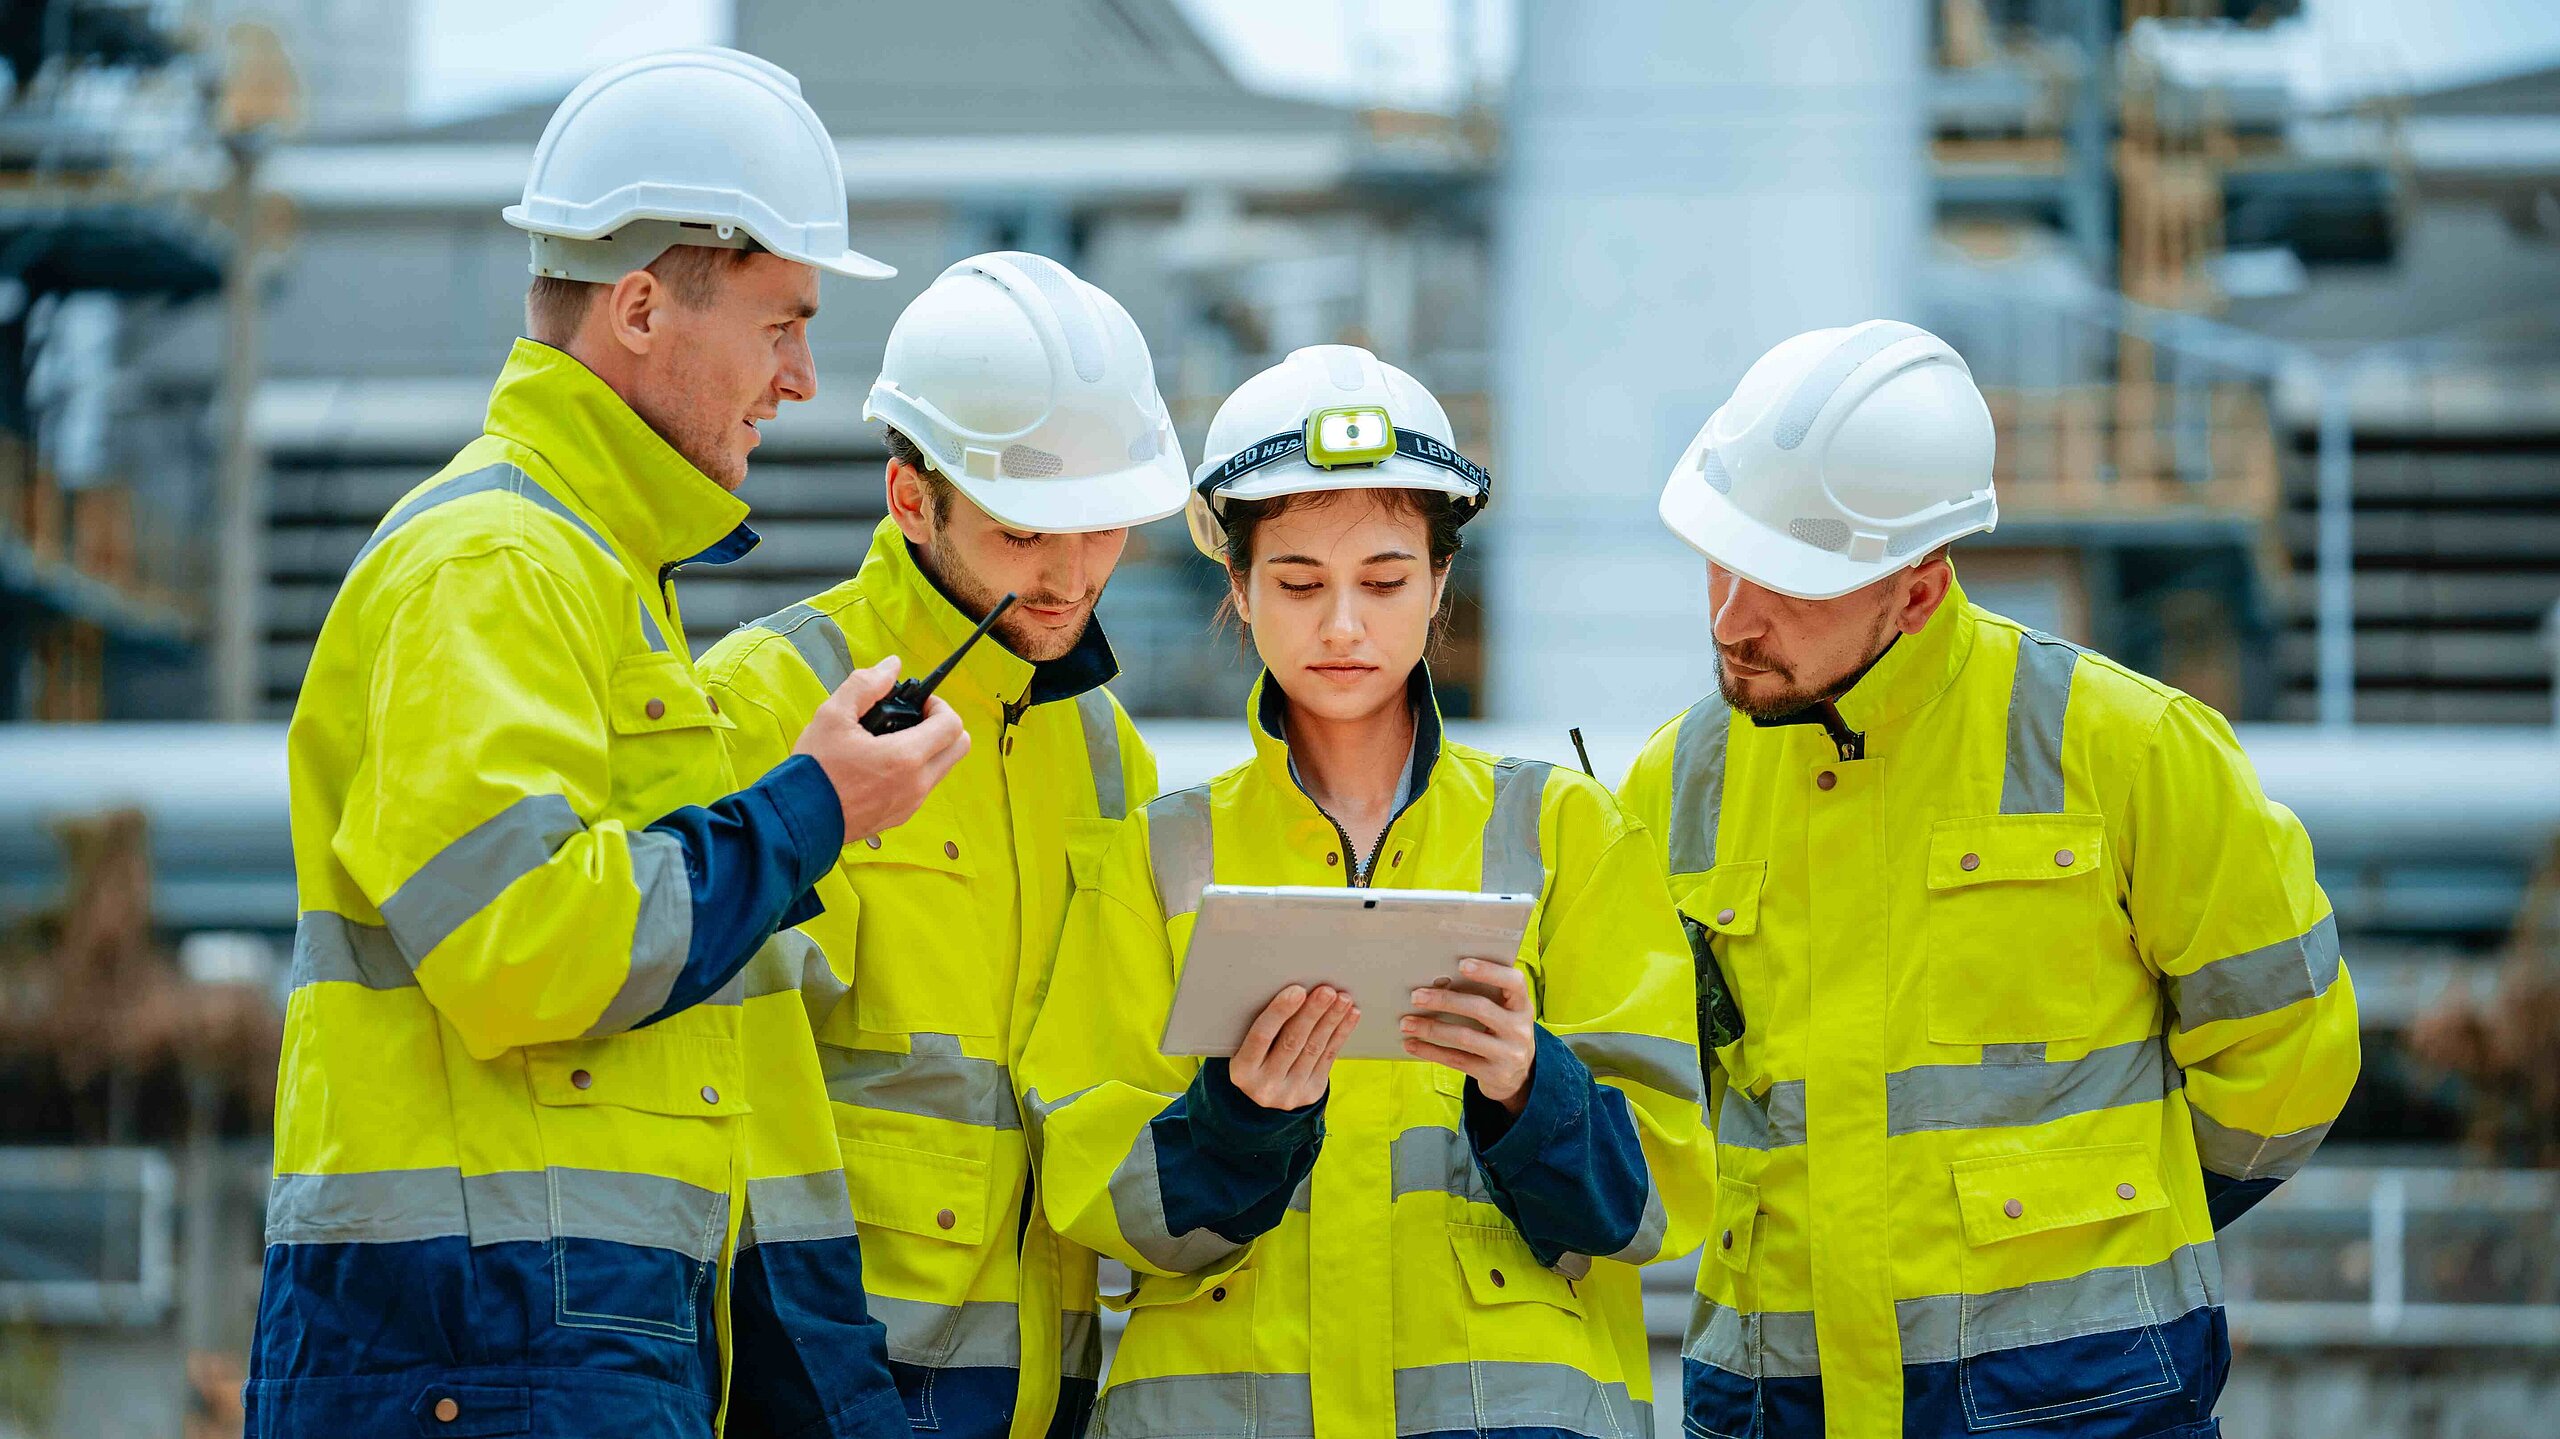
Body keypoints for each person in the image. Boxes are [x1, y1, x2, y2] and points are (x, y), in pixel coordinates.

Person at [248, 49, 966, 1438]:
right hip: (479, 1341)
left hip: (543, 1338)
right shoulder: (496, 565)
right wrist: (810, 807)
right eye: (781, 324)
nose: (804, 379)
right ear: (641, 305)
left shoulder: (596, 579)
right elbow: (526, 942)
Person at [1618, 320, 2363, 1439]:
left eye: (1788, 585)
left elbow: (2288, 1063)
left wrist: (2095, 1219)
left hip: (2075, 1391)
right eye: (1721, 560)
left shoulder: (2128, 751)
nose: (1732, 619)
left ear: (1915, 590)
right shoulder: (1676, 780)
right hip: (1778, 1392)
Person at [1017, 345, 1712, 1439]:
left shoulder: (1569, 836)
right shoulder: (1156, 855)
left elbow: (1659, 1202)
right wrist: (1236, 1121)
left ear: (1441, 583)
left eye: (1384, 580)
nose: (1342, 623)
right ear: (1238, 589)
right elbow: (1092, 1193)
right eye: (1297, 582)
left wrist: (1530, 1089)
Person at [699, 252, 1187, 1439]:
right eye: (1026, 531)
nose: (1072, 575)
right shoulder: (771, 700)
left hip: (1045, 1372)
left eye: (1100, 527)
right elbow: (743, 1107)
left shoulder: (1106, 747)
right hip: (825, 1376)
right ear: (911, 499)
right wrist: (830, 1400)